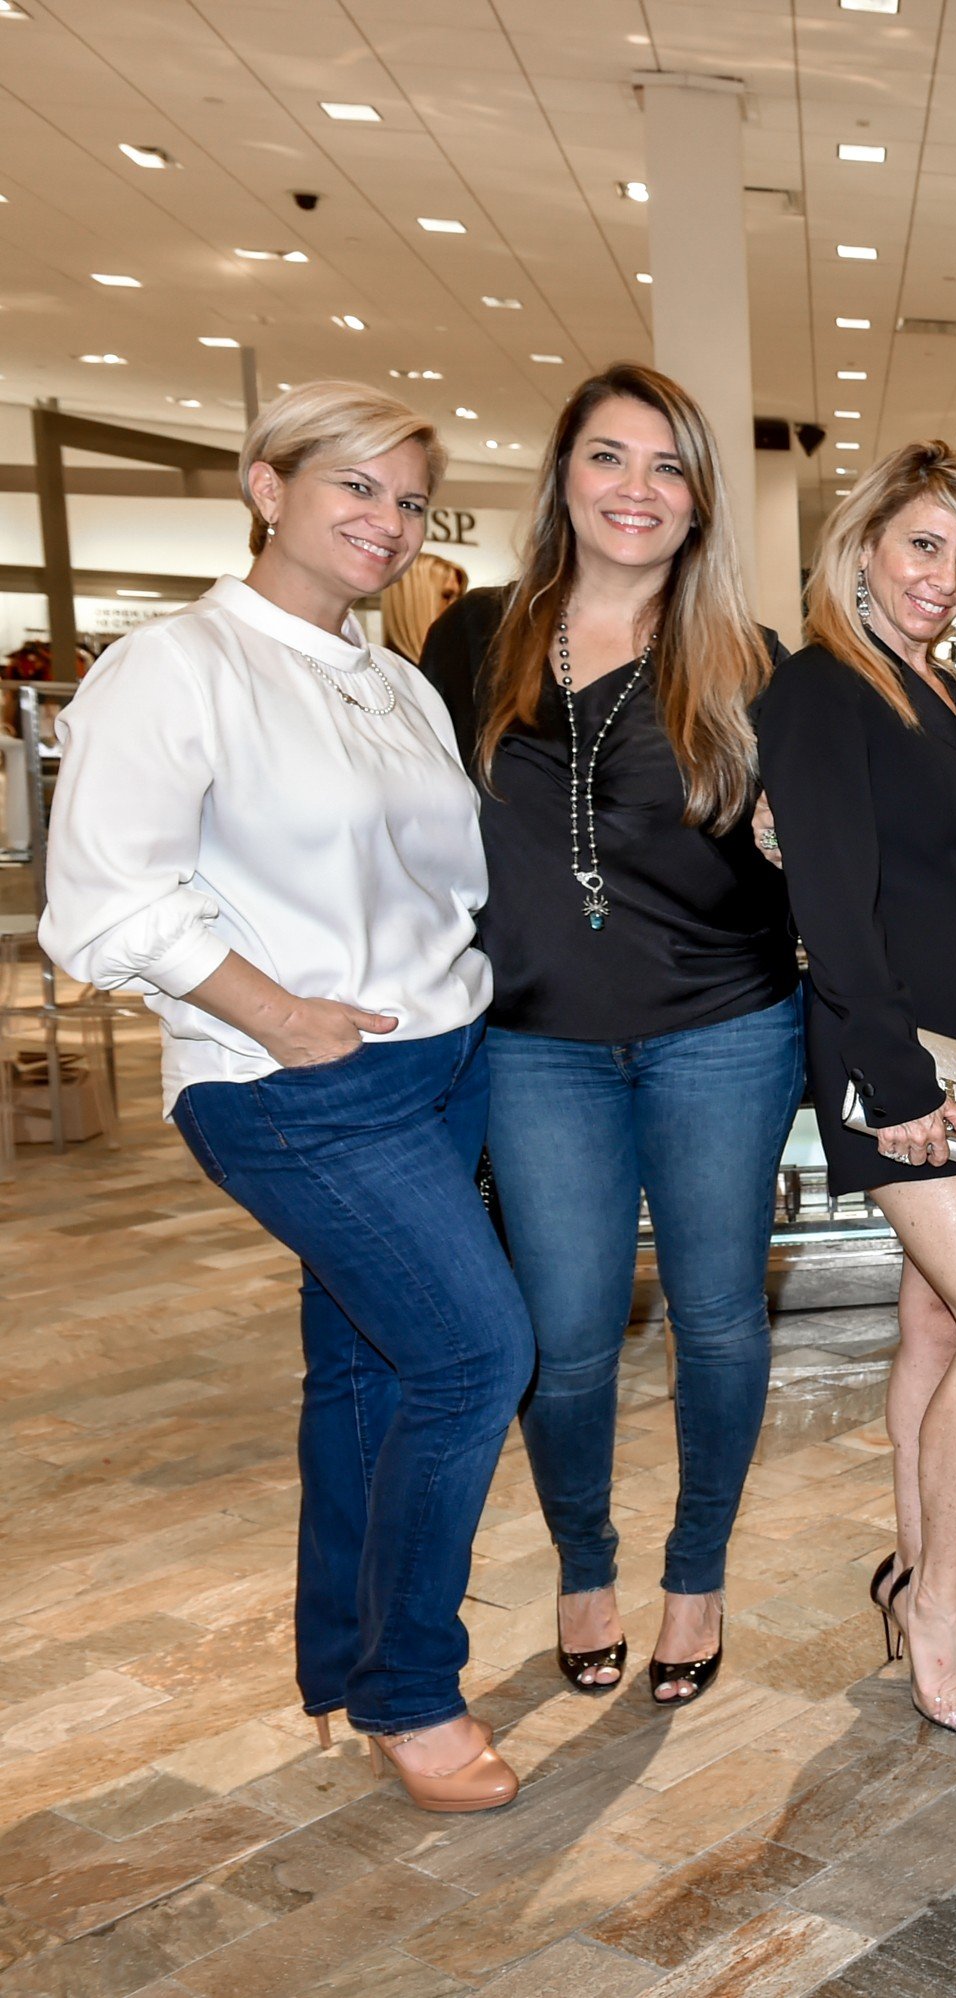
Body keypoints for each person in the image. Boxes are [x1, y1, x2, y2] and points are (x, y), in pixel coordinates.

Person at [42, 382, 529, 1812]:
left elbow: (443, 874)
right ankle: (408, 1684)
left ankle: (345, 1663)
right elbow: (104, 902)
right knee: (472, 1356)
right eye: (353, 487)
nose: (385, 521)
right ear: (267, 487)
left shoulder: (387, 675)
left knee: (374, 1371)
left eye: (405, 498)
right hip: (292, 1077)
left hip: (440, 1060)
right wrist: (273, 1010)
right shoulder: (175, 666)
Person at [420, 362, 797, 1708]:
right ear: (564, 476)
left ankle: (694, 1575)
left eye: (668, 467)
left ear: (698, 502)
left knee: (716, 1325)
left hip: (724, 1032)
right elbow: (415, 832)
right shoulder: (473, 638)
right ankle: (586, 1559)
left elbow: (821, 861)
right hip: (535, 1040)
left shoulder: (751, 662)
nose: (636, 490)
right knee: (563, 1336)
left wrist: (790, 836)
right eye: (609, 458)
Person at [757, 441, 956, 1737]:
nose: (945, 574)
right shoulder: (822, 686)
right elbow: (830, 897)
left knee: (937, 1330)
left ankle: (904, 1557)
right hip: (903, 1064)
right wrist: (894, 1076)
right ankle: (940, 1595)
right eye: (922, 544)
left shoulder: (928, 685)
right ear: (863, 543)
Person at [384, 552, 467, 665]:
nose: (457, 606)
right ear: (413, 600)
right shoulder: (386, 674)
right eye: (446, 596)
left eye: (459, 597)